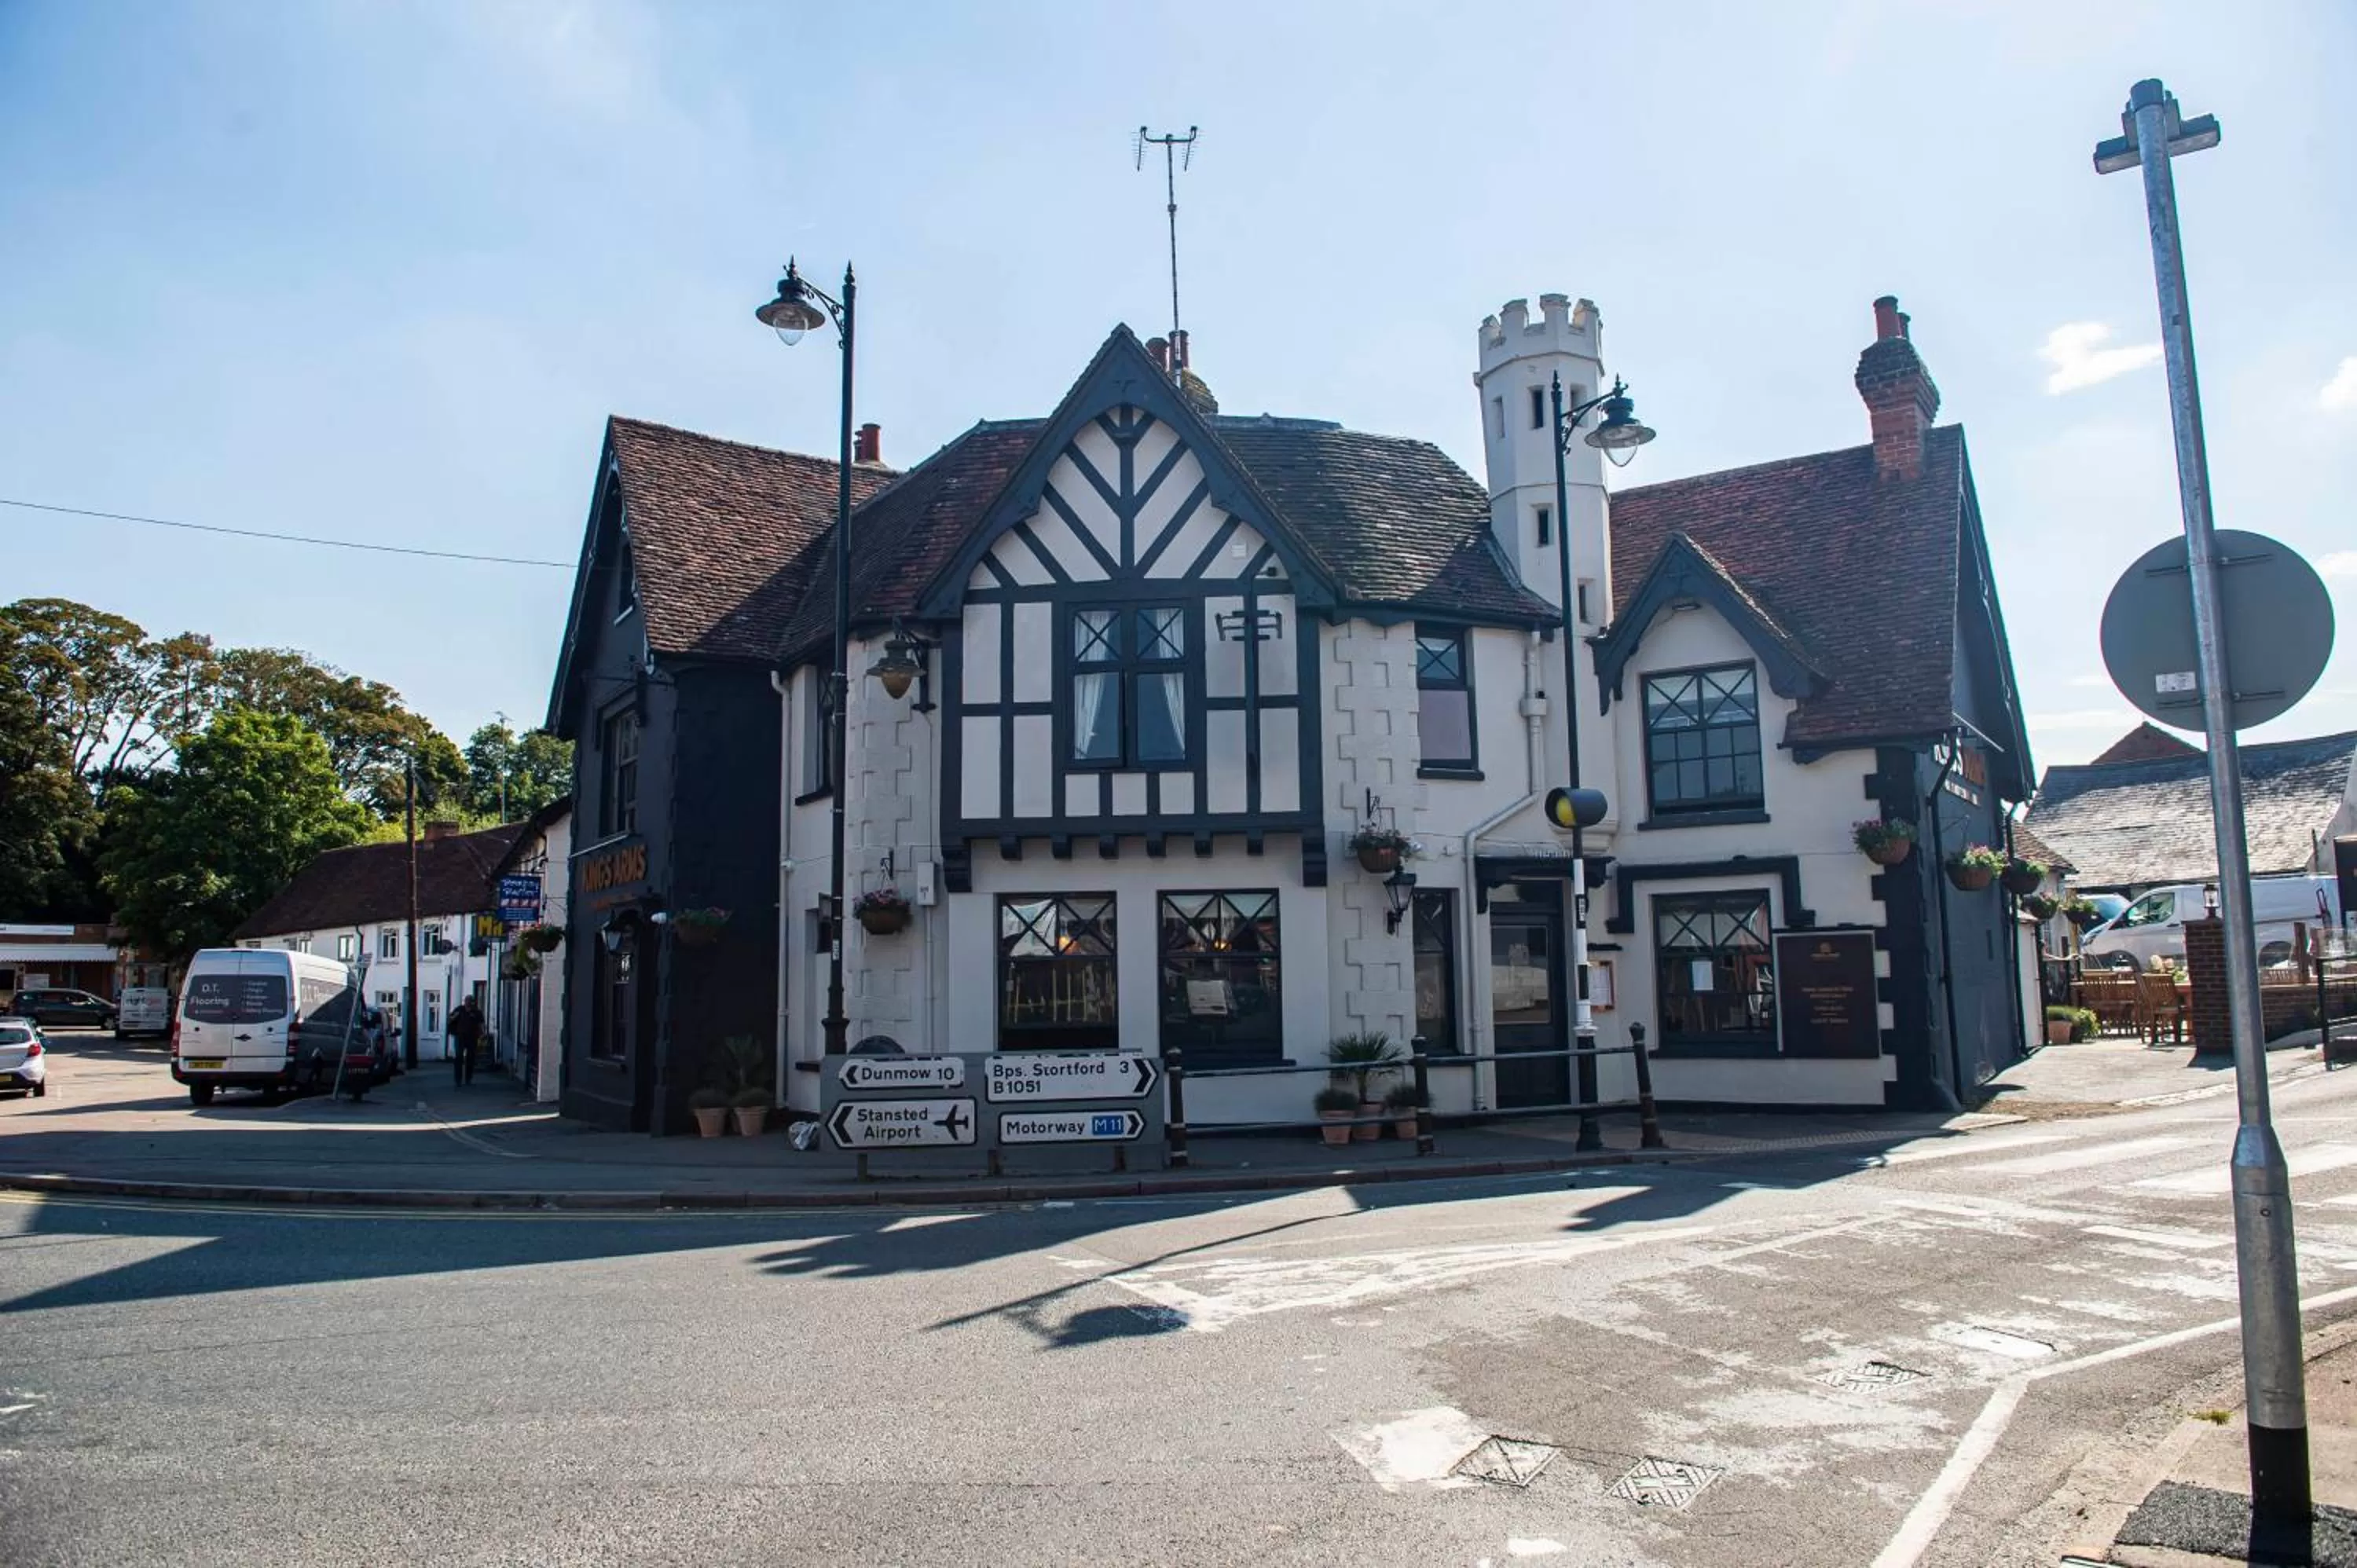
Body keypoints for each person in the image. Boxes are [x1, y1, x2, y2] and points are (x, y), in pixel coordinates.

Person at [449, 998, 482, 1086]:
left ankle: (468, 1079)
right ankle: (458, 1080)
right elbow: (451, 1019)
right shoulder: (459, 1010)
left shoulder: (476, 1012)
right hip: (460, 1037)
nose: (468, 1003)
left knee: (470, 1058)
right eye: (466, 1001)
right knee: (459, 1057)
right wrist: (454, 1017)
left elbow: (481, 1023)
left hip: (472, 1038)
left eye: (470, 1001)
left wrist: (481, 1034)